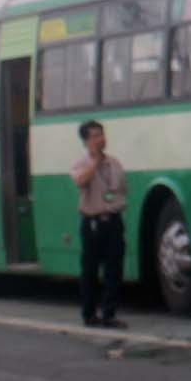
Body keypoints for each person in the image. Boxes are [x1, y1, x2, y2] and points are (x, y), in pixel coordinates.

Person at [71, 120, 128, 330]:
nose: (100, 139)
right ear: (86, 141)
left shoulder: (114, 163)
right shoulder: (81, 164)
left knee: (114, 269)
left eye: (101, 135)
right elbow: (80, 182)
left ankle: (109, 314)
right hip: (92, 222)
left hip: (113, 220)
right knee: (90, 271)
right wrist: (94, 162)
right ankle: (89, 314)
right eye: (94, 136)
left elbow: (122, 189)